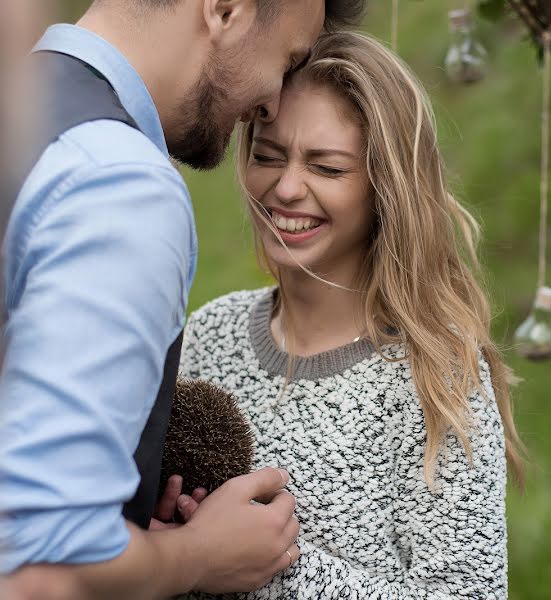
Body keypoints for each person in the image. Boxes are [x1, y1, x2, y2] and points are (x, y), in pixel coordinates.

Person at [0, 1, 364, 598]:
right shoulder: (119, 185)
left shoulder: (21, 108)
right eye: (289, 57)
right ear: (226, 9)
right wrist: (195, 556)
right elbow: (49, 550)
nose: (273, 101)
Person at [178, 31, 525, 599]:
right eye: (267, 156)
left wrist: (274, 561)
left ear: (385, 187)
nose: (286, 188)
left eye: (328, 168)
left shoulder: (436, 376)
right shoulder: (209, 332)